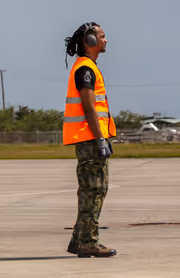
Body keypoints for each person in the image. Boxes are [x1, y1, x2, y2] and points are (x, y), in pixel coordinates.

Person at [63, 22, 118, 258]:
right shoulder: (85, 69)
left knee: (91, 189)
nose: (106, 41)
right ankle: (88, 241)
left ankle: (79, 239)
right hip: (89, 139)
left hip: (90, 138)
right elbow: (89, 107)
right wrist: (100, 139)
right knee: (94, 190)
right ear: (90, 41)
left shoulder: (88, 67)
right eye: (102, 37)